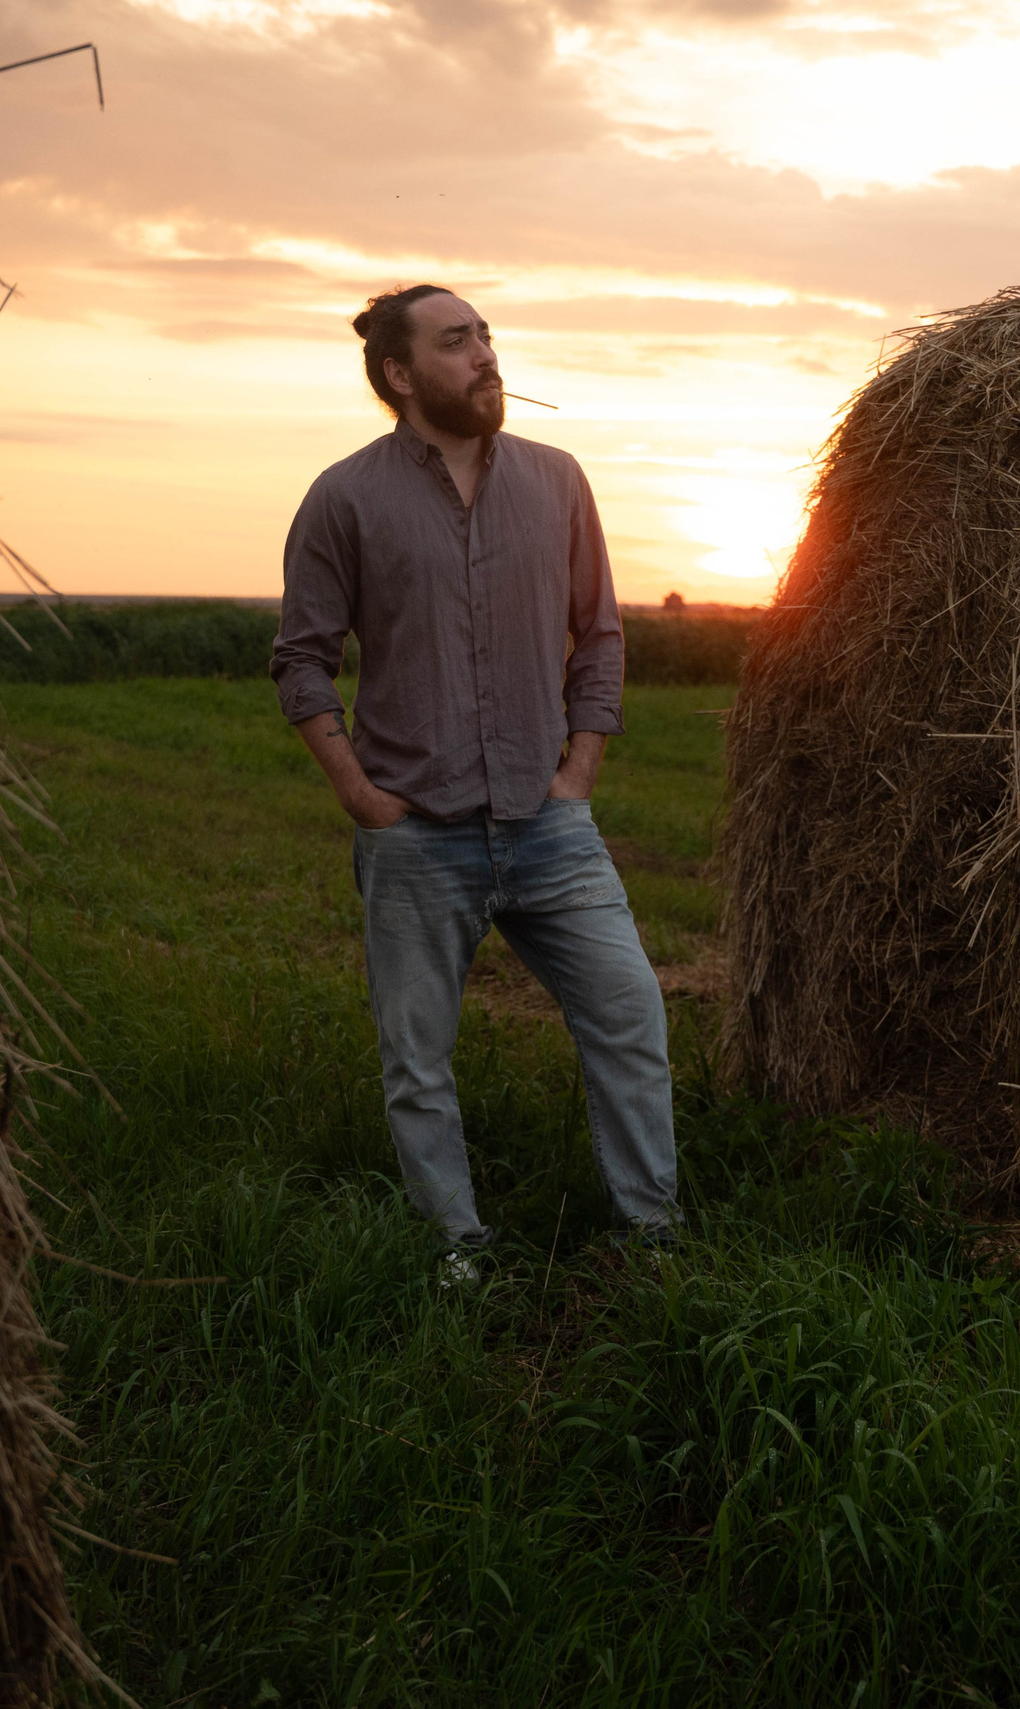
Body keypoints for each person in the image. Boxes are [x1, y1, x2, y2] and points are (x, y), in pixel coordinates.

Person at [271, 284, 678, 1281]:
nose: (486, 356)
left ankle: (651, 1235)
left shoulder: (557, 480)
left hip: (549, 826)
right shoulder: (345, 496)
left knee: (629, 1017)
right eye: (458, 343)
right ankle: (458, 1250)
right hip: (416, 833)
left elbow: (601, 633)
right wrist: (357, 793)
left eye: (487, 337)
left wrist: (579, 769)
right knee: (418, 1063)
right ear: (402, 375)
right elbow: (301, 658)